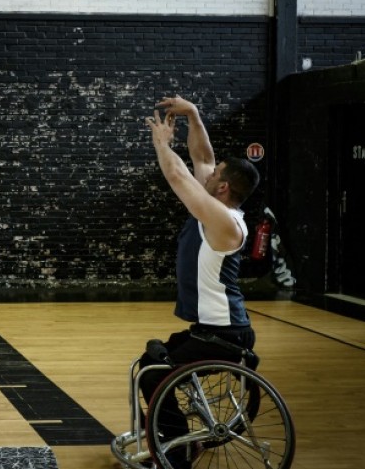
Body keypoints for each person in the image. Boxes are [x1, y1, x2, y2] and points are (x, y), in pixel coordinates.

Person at [139, 95, 260, 468]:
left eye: (215, 175)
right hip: (216, 328)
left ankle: (176, 452)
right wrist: (193, 114)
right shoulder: (222, 208)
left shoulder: (223, 222)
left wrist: (162, 144)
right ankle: (175, 437)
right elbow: (204, 157)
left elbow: (178, 175)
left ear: (222, 188)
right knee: (155, 361)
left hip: (222, 334)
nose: (207, 173)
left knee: (151, 374)